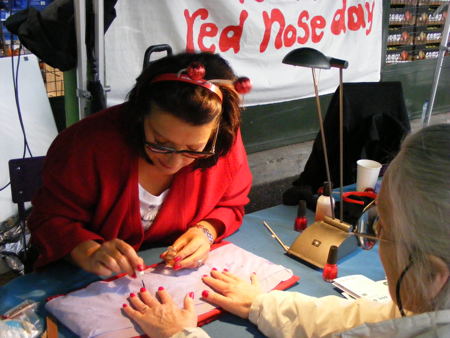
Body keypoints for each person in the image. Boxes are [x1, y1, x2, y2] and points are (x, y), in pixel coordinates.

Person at [122, 123, 450, 337]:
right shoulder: (429, 308)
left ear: (434, 275)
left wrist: (178, 334)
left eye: (381, 228)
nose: (375, 242)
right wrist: (264, 305)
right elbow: (374, 319)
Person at [28, 52, 252, 277]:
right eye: (160, 143)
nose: (173, 162)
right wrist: (88, 252)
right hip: (82, 279)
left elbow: (231, 204)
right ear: (139, 117)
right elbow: (48, 219)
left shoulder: (222, 141)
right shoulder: (87, 144)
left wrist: (206, 231)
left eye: (193, 150)